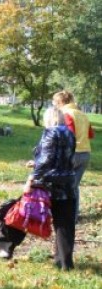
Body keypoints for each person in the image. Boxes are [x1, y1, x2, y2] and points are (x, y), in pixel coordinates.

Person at [0, 107, 76, 270]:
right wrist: (37, 162)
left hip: (46, 185)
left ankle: (6, 248)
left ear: (49, 119)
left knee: (19, 213)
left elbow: (46, 162)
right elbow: (62, 159)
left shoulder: (49, 133)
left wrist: (31, 179)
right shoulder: (70, 134)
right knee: (64, 225)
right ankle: (65, 263)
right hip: (66, 183)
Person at [52, 91, 94, 222]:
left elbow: (69, 134)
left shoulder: (65, 114)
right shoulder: (82, 114)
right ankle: (73, 216)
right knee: (74, 186)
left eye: (54, 102)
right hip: (85, 153)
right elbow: (91, 134)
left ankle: (64, 216)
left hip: (71, 153)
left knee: (63, 185)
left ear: (60, 102)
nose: (53, 105)